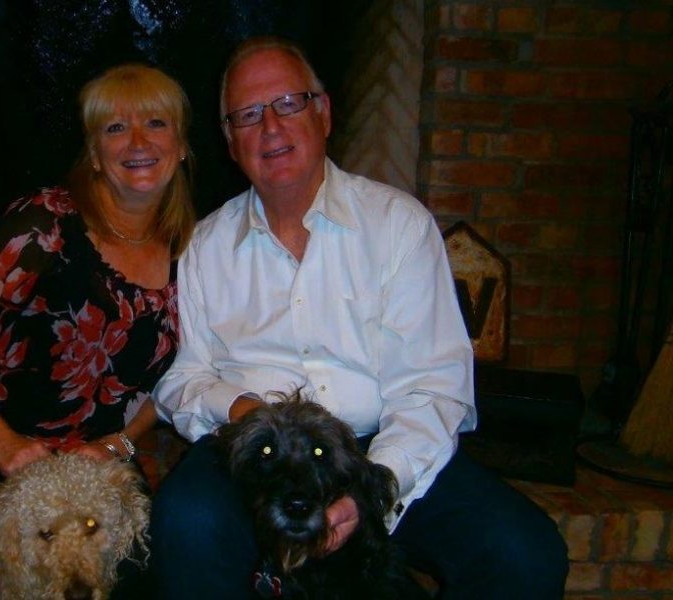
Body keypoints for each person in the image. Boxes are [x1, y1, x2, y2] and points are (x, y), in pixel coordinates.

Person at [149, 36, 568, 600]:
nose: (270, 127)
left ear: (323, 113)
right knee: (187, 519)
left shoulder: (399, 225)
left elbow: (432, 388)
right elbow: (185, 378)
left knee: (525, 553)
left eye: (289, 103)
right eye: (248, 114)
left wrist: (372, 490)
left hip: (380, 446)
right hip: (258, 451)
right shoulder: (206, 244)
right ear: (230, 140)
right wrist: (243, 411)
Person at [0, 63, 194, 599]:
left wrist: (120, 442)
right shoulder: (45, 223)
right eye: (115, 128)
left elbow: (186, 372)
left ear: (182, 145)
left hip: (94, 467)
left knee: (150, 583)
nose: (138, 142)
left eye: (156, 123)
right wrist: (1, 442)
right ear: (94, 154)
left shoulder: (194, 247)